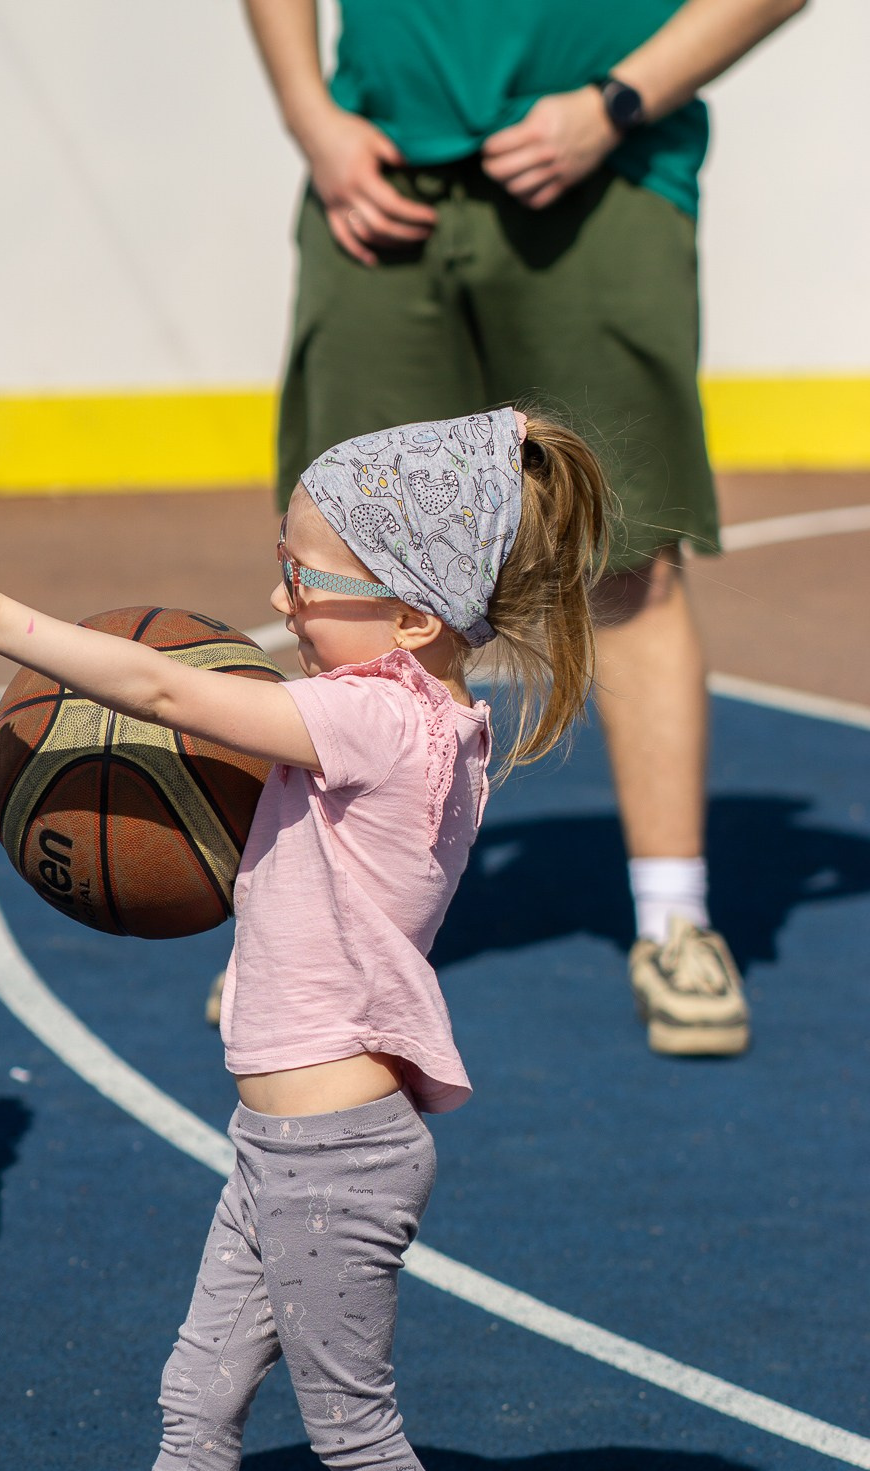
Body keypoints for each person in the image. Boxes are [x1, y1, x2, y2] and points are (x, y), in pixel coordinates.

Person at [0, 405, 608, 1471]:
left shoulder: (374, 720)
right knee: (196, 1396)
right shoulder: (399, 712)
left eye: (304, 576)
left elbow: (161, 695)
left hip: (333, 1157)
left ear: (407, 614)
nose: (276, 598)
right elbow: (337, 897)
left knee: (353, 1426)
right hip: (292, 1138)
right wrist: (266, 977)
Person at [243, 0, 808, 1058]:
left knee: (625, 560)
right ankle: (325, 924)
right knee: (340, 565)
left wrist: (615, 103)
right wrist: (307, 113)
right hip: (377, 174)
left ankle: (674, 921)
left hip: (605, 172)